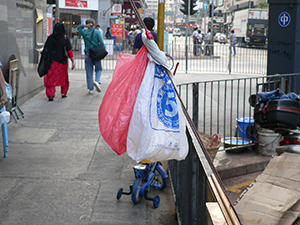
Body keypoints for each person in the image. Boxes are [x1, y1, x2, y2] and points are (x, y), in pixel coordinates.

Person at [42, 22, 75, 101]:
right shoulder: (65, 38)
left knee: (51, 78)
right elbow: (69, 50)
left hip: (51, 62)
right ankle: (64, 93)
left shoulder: (50, 38)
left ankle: (50, 95)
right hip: (62, 63)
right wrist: (73, 61)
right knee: (63, 78)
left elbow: (46, 50)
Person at [77, 18, 106, 94]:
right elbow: (102, 43)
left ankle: (91, 89)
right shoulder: (97, 32)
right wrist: (103, 53)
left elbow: (78, 28)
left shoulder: (84, 32)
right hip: (96, 54)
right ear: (93, 25)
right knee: (98, 69)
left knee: (89, 72)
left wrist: (85, 26)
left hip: (88, 53)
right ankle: (97, 81)